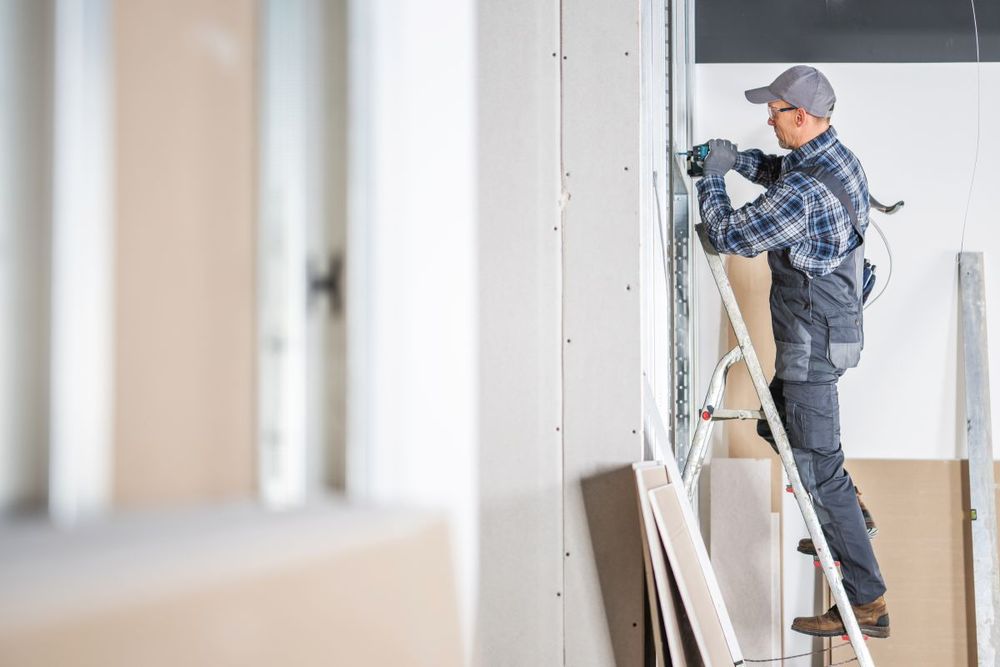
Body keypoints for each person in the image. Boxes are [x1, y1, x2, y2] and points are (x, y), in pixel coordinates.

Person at [695, 65, 889, 639]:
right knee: (776, 424)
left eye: (775, 112)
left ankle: (867, 601)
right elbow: (782, 171)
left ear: (799, 116)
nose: (768, 119)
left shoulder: (804, 194)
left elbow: (728, 235)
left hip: (812, 346)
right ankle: (853, 512)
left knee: (815, 469)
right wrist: (739, 160)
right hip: (833, 331)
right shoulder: (835, 158)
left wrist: (710, 179)